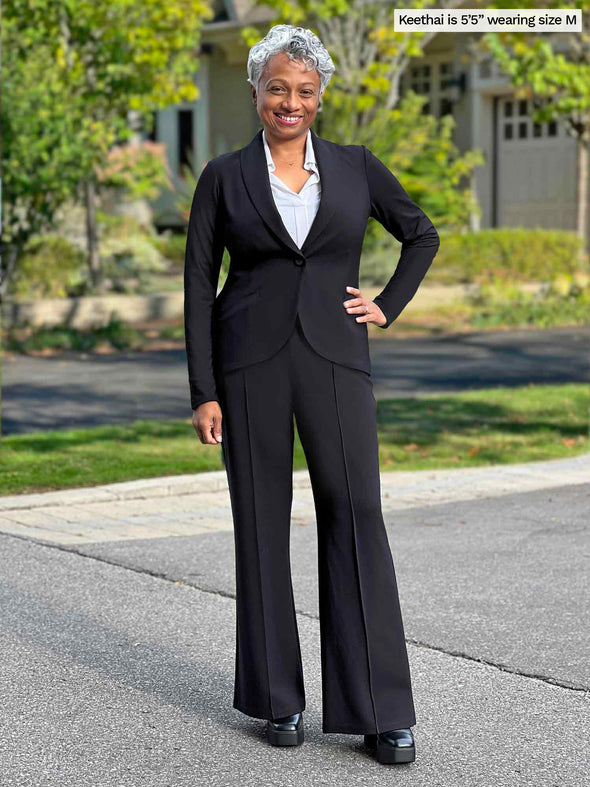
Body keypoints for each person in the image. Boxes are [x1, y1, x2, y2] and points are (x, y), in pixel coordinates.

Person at [184, 24, 440, 766]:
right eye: (277, 89)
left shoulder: (357, 168)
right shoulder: (224, 177)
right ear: (257, 92)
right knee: (260, 523)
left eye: (303, 91)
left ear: (319, 96)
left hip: (335, 358)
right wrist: (204, 389)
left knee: (357, 512)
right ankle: (277, 698)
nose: (289, 102)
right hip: (248, 363)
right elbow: (200, 284)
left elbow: (420, 234)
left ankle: (380, 709)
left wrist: (386, 303)